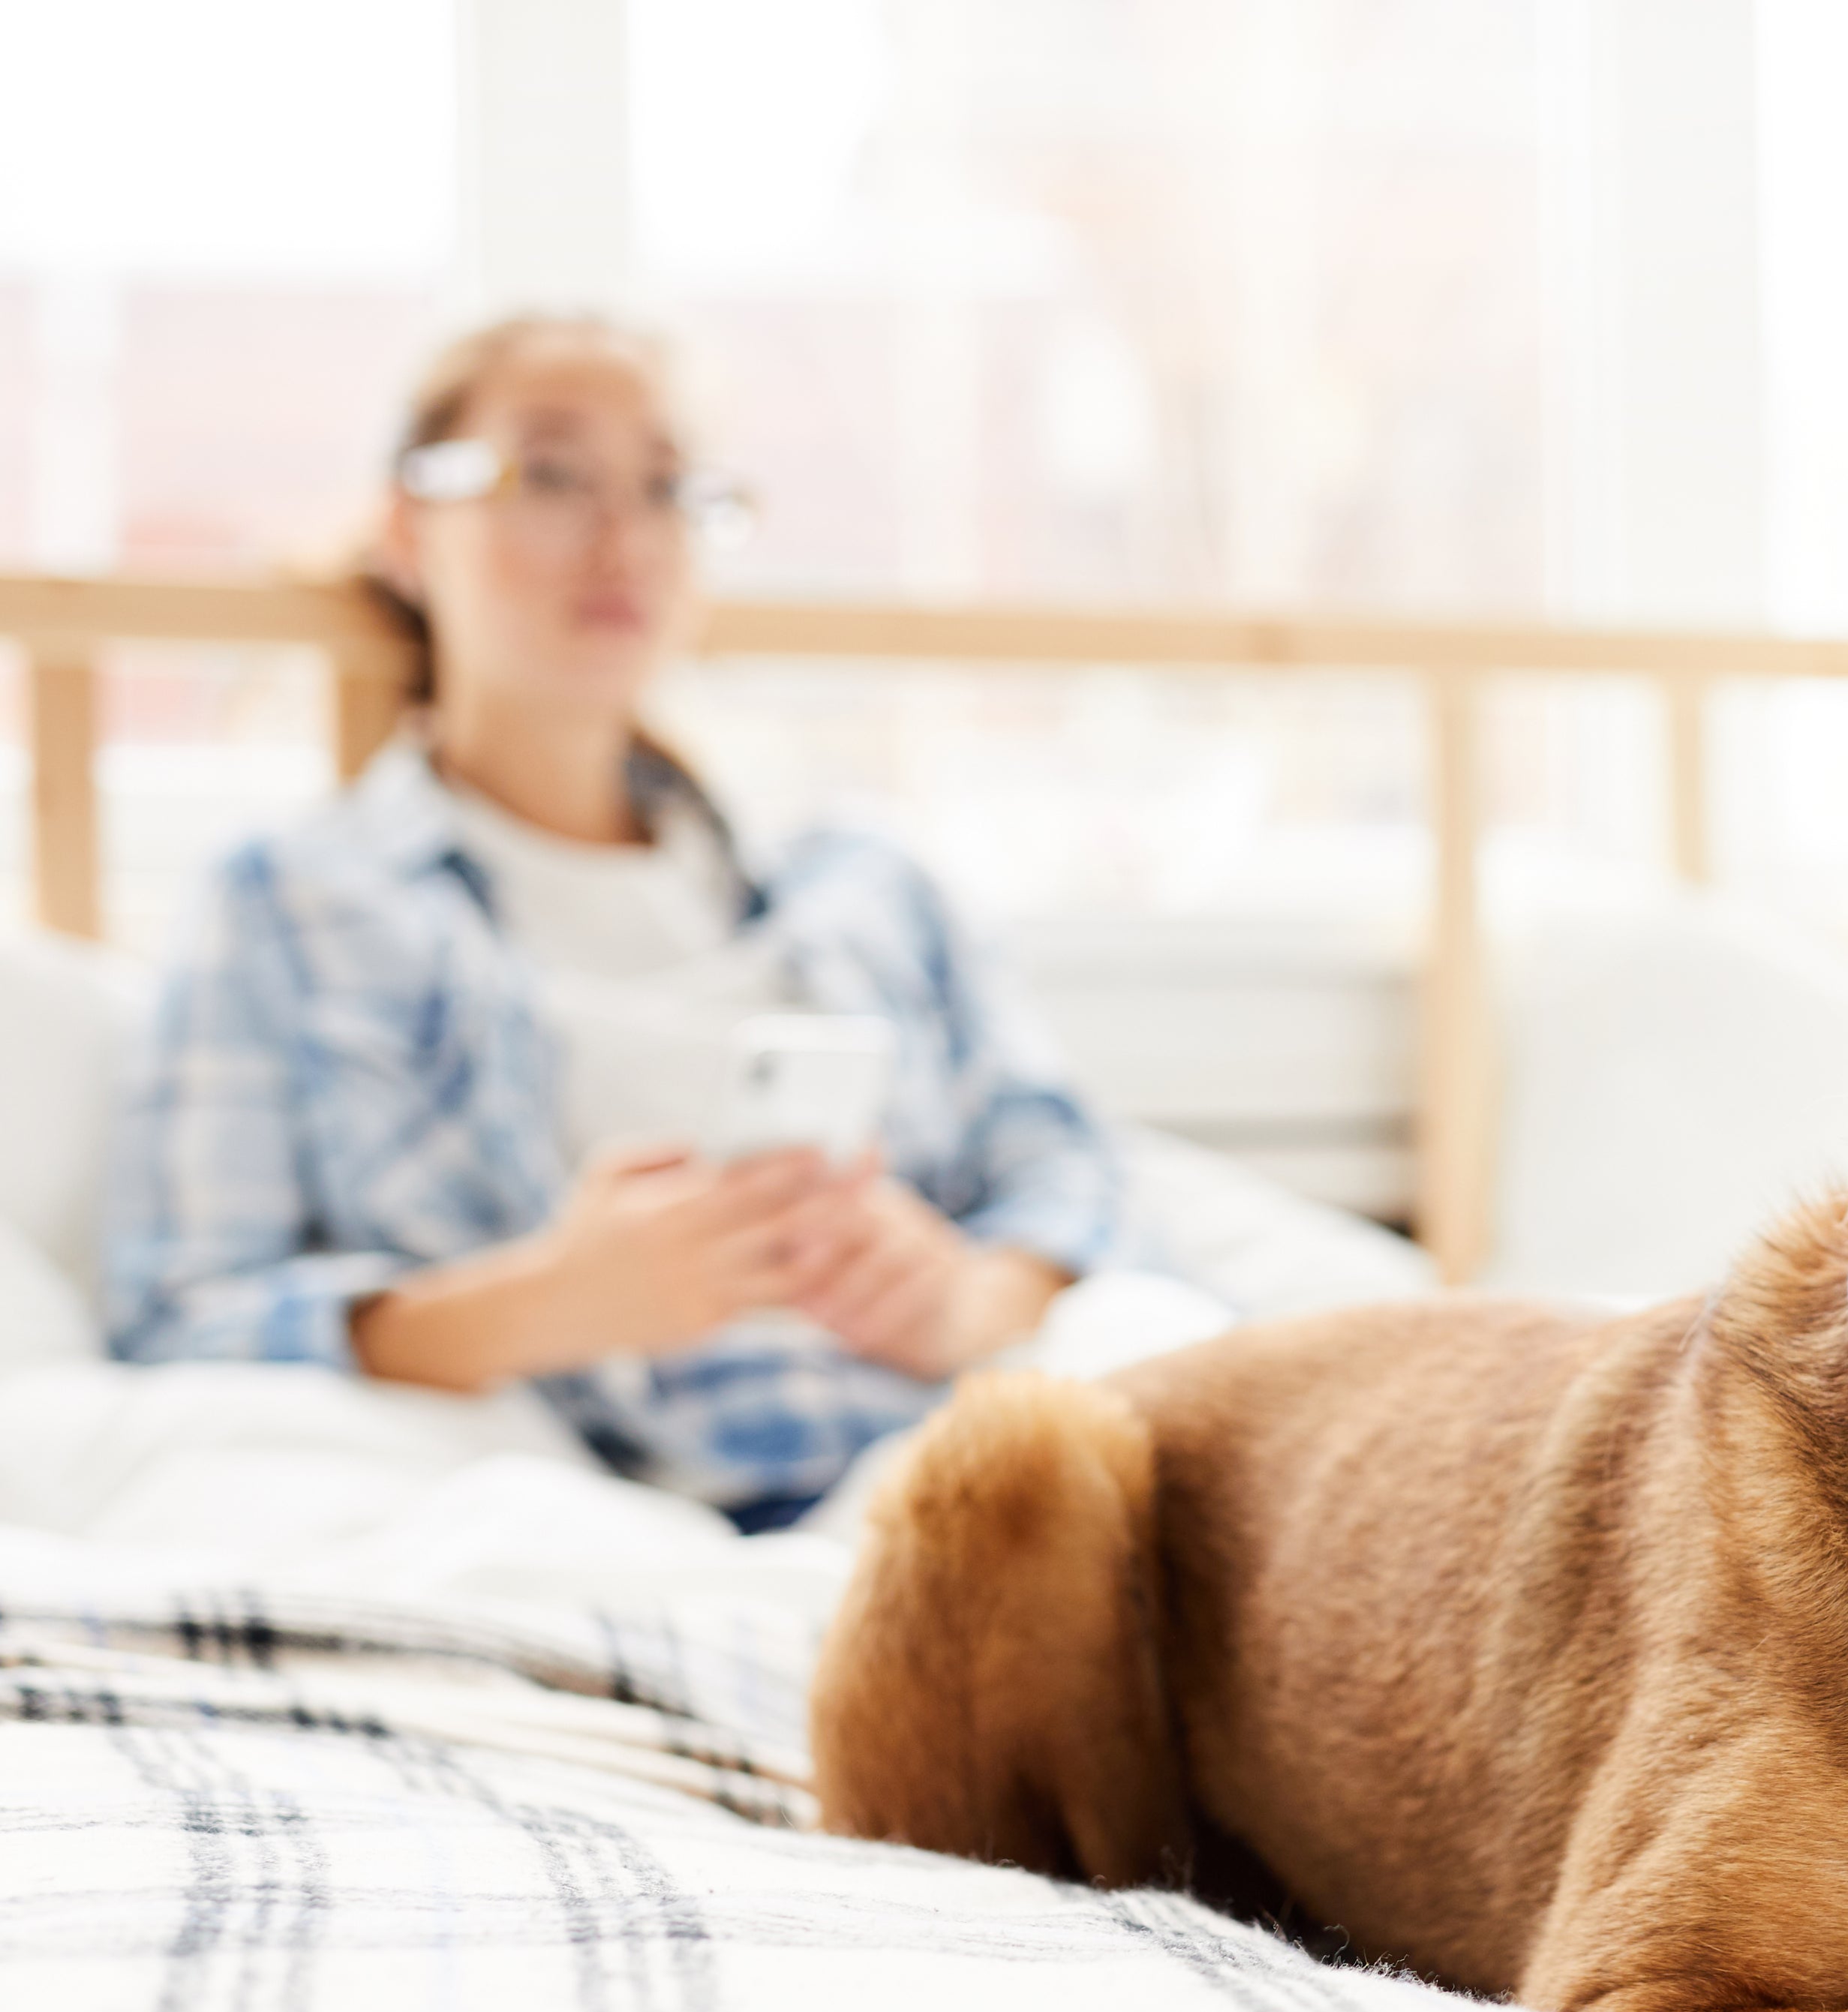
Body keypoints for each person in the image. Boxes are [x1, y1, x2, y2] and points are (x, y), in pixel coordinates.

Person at [103, 314, 1128, 1533]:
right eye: (549, 475)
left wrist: (969, 1298)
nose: (624, 538)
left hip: (943, 1487)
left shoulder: (866, 883)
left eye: (669, 488)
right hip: (574, 1525)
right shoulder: (289, 906)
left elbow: (1072, 1176)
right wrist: (548, 1302)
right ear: (405, 533)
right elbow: (182, 1316)